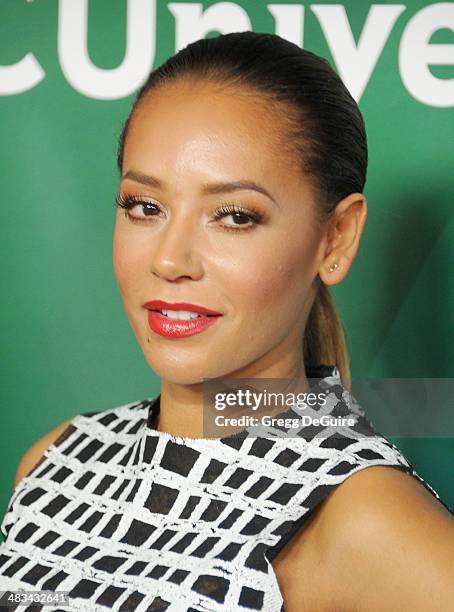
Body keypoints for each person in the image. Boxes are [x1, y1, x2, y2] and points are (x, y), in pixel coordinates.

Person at [0, 31, 453, 612]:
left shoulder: (362, 520)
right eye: (145, 206)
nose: (169, 259)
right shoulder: (55, 462)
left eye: (234, 216)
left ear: (335, 238)